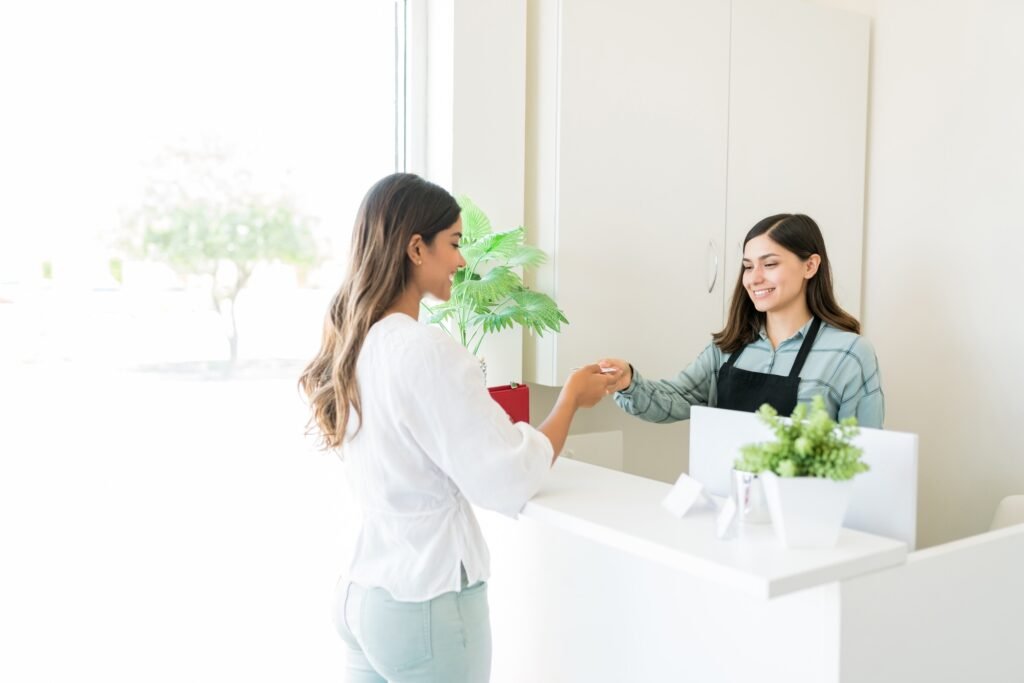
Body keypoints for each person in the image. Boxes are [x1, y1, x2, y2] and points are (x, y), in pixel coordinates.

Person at [299, 172, 615, 683]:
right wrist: (572, 400)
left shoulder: (353, 344)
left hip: (364, 594)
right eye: (454, 243)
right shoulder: (425, 350)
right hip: (427, 602)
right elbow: (508, 476)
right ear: (416, 249)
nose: (463, 261)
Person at [600, 213, 884, 428]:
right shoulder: (728, 348)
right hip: (727, 500)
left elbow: (864, 455)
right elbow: (673, 399)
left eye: (770, 264)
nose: (754, 278)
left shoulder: (850, 355)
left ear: (810, 266)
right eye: (748, 266)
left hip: (800, 505)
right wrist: (628, 382)